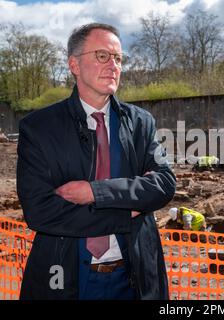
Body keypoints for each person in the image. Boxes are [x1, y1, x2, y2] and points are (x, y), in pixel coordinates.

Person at [16, 23, 176, 300]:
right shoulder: (39, 128)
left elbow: (164, 184)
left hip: (134, 276)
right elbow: (40, 210)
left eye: (118, 58)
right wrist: (124, 213)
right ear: (74, 65)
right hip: (67, 277)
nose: (113, 65)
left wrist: (95, 192)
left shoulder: (141, 122)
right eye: (102, 55)